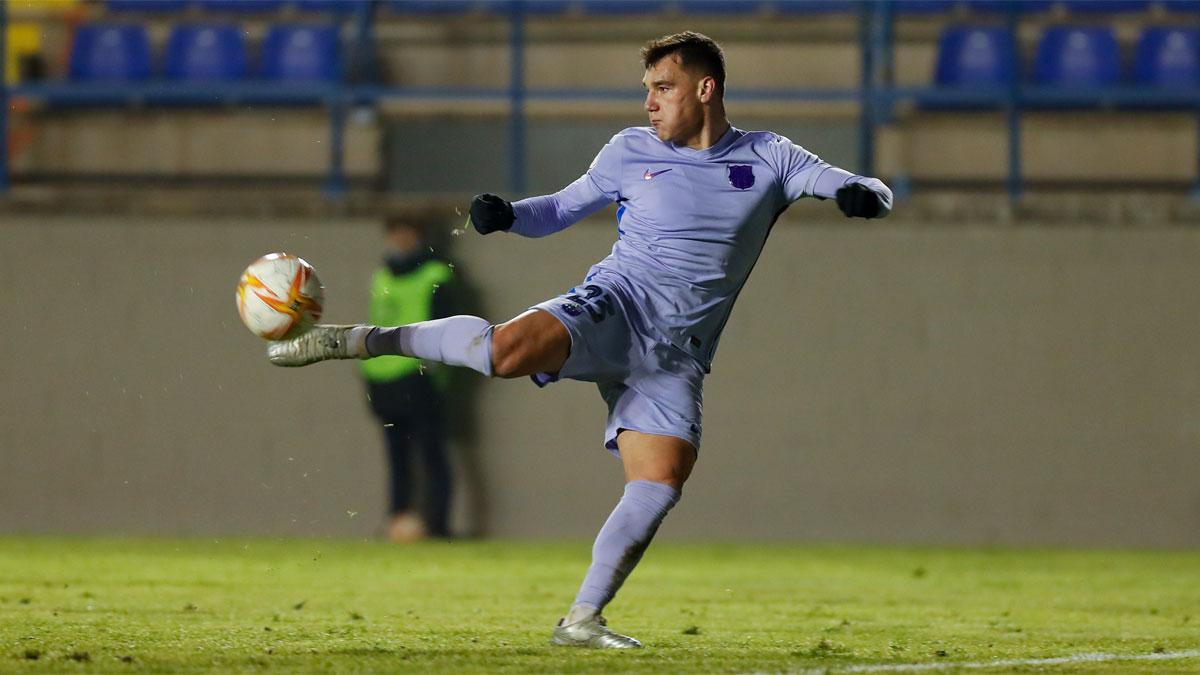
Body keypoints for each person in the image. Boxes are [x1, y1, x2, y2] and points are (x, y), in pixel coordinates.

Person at [268, 31, 892, 649]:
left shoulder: (769, 158)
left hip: (676, 354)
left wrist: (861, 195)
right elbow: (562, 209)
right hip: (617, 303)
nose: (649, 102)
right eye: (646, 89)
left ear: (706, 90)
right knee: (503, 353)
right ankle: (355, 340)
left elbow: (866, 186)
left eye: (663, 87)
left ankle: (582, 619)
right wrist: (511, 215)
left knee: (660, 480)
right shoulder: (629, 149)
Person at [361, 214, 456, 542]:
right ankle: (397, 522)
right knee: (397, 457)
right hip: (383, 378)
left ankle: (438, 526)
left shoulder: (436, 274)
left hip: (418, 377)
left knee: (432, 454)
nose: (399, 241)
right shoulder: (381, 275)